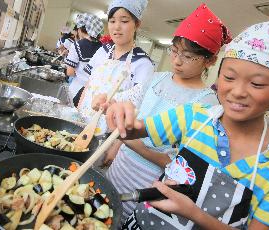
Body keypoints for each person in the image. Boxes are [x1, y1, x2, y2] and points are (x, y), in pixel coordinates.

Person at [105, 18, 269, 229]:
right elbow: (132, 131)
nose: (237, 92)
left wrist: (194, 214)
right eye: (229, 78)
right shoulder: (194, 117)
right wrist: (118, 112)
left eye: (257, 84)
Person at [103, 3, 232, 221]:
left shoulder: (207, 104)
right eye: (174, 51)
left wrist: (128, 140)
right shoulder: (157, 78)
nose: (177, 60)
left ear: (210, 60)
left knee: (122, 221)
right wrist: (115, 147)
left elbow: (175, 164)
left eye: (188, 56)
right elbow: (135, 114)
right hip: (119, 167)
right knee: (100, 210)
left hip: (148, 182)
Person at [77, 0, 154, 136]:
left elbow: (136, 111)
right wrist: (76, 115)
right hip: (81, 123)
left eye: (124, 21)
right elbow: (89, 85)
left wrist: (115, 147)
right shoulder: (102, 51)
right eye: (112, 21)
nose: (116, 27)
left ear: (137, 24)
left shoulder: (143, 63)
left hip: (108, 134)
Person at [64, 13, 104, 106]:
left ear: (80, 29)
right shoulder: (103, 48)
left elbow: (69, 72)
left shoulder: (77, 45)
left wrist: (79, 73)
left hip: (76, 90)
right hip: (93, 95)